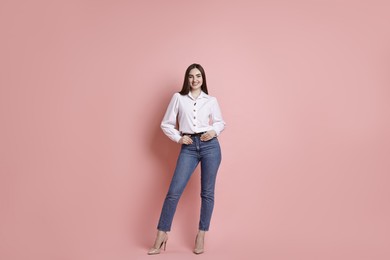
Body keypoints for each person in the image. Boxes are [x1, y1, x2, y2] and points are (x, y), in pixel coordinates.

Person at [148, 63, 226, 255]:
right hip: (189, 147)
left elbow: (220, 122)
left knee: (207, 193)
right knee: (174, 192)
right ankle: (161, 234)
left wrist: (213, 131)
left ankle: (201, 234)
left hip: (211, 147)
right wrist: (179, 138)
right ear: (187, 79)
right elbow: (166, 124)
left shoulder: (211, 100)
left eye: (198, 76)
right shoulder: (178, 98)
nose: (195, 80)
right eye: (191, 76)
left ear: (203, 78)